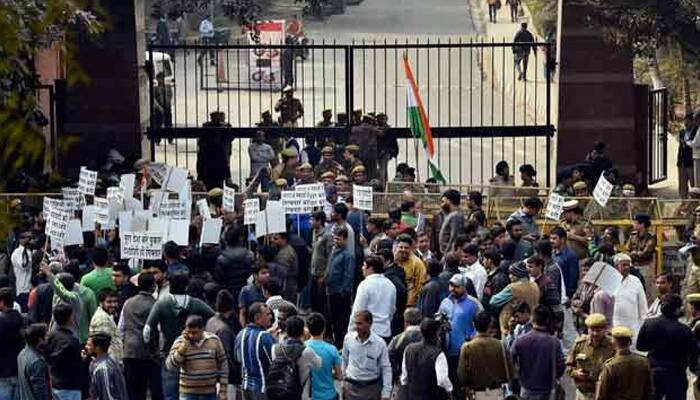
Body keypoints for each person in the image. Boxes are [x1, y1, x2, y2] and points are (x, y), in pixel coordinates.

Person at [144, 272, 215, 400]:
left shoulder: (162, 304)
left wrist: (153, 351)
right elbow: (214, 318)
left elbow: (147, 332)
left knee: (170, 396)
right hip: (194, 357)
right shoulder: (196, 303)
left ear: (170, 285)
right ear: (186, 287)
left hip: (169, 354)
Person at [637, 293, 698, 400]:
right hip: (676, 375)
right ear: (678, 309)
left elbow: (640, 346)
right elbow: (694, 351)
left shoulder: (649, 324)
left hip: (654, 373)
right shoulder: (684, 330)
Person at [118, 272, 163, 400]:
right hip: (149, 354)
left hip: (130, 352)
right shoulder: (156, 305)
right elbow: (159, 330)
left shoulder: (128, 303)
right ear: (153, 286)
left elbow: (121, 329)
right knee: (154, 390)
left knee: (134, 392)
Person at [167, 315, 228, 400]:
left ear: (202, 329)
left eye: (195, 332)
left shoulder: (214, 341)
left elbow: (223, 364)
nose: (191, 335)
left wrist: (223, 390)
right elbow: (171, 366)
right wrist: (182, 348)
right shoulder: (180, 342)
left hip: (209, 393)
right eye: (189, 332)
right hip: (188, 394)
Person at [511, 305, 565, 399]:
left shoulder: (520, 340)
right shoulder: (554, 342)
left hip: (526, 388)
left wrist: (518, 374)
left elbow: (510, 359)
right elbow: (561, 365)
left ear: (532, 319)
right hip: (547, 389)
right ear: (547, 320)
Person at [437, 274, 479, 395]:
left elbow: (482, 324)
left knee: (462, 383)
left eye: (456, 286)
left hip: (464, 350)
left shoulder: (473, 303)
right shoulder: (445, 302)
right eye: (451, 285)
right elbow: (438, 320)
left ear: (464, 287)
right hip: (446, 349)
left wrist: (472, 336)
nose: (452, 289)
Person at [457, 312, 512, 400]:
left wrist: (465, 387)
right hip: (497, 392)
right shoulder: (500, 345)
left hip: (476, 393)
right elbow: (509, 370)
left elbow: (462, 374)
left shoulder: (467, 347)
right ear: (490, 325)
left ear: (474, 325)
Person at [341, 310, 392, 400]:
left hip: (371, 389)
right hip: (351, 388)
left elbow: (386, 368)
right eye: (355, 323)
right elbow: (344, 360)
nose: (356, 327)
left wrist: (386, 393)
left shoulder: (380, 344)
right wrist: (343, 383)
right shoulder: (348, 339)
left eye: (360, 324)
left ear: (369, 323)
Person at [270, 316, 321, 400]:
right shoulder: (307, 351)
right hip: (301, 394)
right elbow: (319, 365)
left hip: (281, 391)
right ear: (302, 332)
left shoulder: (275, 348)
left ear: (286, 331)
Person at [595, 326, 653, 400]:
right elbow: (649, 390)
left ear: (613, 342)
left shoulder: (610, 366)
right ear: (630, 342)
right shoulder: (643, 362)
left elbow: (602, 395)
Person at [565, 314, 615, 400]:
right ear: (587, 329)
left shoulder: (612, 346)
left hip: (604, 395)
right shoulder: (579, 344)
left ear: (605, 329)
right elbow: (568, 367)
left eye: (599, 330)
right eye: (592, 330)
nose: (595, 334)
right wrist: (576, 373)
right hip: (582, 394)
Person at [401, 318, 453, 400]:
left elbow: (404, 377)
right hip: (432, 395)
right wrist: (449, 389)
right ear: (436, 334)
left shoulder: (409, 349)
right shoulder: (438, 354)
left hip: (412, 395)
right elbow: (442, 380)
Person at [350, 255, 397, 341]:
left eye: (364, 265)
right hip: (385, 331)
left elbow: (358, 309)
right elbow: (392, 309)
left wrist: (351, 330)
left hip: (367, 332)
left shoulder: (365, 285)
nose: (362, 268)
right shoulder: (391, 285)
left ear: (370, 268)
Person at [234, 302, 275, 400]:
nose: (271, 317)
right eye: (267, 314)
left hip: (245, 387)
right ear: (257, 317)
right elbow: (274, 362)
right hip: (262, 389)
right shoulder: (265, 337)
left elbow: (237, 358)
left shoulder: (240, 334)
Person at [490, 262, 540, 338]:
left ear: (518, 275)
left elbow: (493, 301)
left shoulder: (513, 288)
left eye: (511, 274)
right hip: (532, 323)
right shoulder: (535, 285)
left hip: (513, 327)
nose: (509, 276)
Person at [325, 225, 355, 347]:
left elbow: (349, 275)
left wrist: (344, 291)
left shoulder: (348, 255)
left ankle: (341, 343)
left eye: (339, 239)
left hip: (340, 293)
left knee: (341, 320)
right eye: (335, 238)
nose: (336, 241)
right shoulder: (333, 251)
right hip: (331, 290)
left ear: (345, 239)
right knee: (332, 318)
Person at [206, 290, 239, 400]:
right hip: (224, 381)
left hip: (211, 375)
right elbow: (226, 358)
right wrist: (237, 373)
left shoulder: (211, 321)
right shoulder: (224, 330)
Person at [45, 304, 83, 400]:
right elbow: (76, 365)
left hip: (55, 384)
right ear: (70, 317)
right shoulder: (72, 341)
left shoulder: (50, 337)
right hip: (70, 387)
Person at [611, 253, 647, 346]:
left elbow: (642, 306)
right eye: (624, 265)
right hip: (614, 325)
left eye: (628, 265)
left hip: (633, 326)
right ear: (616, 266)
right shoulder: (609, 280)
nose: (627, 267)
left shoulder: (636, 281)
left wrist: (643, 325)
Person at [305, 313, 343, 400]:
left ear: (308, 329)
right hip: (329, 395)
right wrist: (329, 374)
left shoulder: (303, 347)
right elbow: (339, 376)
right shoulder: (332, 349)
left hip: (310, 397)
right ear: (324, 329)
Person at [216, 226, 254, 311]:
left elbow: (220, 280)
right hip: (247, 292)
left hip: (229, 294)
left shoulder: (222, 259)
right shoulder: (249, 256)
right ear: (240, 239)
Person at [387, 307, 423, 391]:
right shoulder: (428, 338)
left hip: (402, 382)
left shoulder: (397, 340)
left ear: (405, 322)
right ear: (421, 321)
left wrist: (396, 377)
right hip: (423, 383)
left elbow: (390, 360)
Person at [85, 332, 128, 400]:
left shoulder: (103, 369)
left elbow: (108, 396)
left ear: (98, 348)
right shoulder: (112, 361)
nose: (86, 347)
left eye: (89, 345)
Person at [625, 213, 657, 299]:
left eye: (636, 222)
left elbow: (645, 253)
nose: (633, 224)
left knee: (646, 290)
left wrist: (634, 253)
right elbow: (627, 249)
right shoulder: (633, 235)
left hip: (645, 266)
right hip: (634, 266)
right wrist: (635, 253)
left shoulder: (651, 236)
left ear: (642, 224)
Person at [0, 287, 24, 400]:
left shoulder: (1, 320)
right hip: (18, 369)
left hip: (3, 371)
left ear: (2, 302)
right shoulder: (22, 318)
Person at [89, 288, 123, 363]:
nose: (113, 305)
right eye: (109, 302)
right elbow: (104, 346)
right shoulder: (102, 318)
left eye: (115, 301)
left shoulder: (107, 315)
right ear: (101, 303)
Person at [17, 323, 50, 400]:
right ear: (40, 339)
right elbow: (40, 392)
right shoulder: (37, 362)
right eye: (46, 336)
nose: (48, 338)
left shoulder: (22, 354)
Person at [394, 234, 426, 308]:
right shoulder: (392, 260)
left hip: (409, 304)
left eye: (406, 248)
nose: (403, 250)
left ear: (411, 248)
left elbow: (420, 286)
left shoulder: (418, 264)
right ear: (396, 247)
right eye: (401, 247)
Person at [348, 115, 379, 180]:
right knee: (371, 173)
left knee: (358, 171)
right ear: (370, 121)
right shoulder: (373, 129)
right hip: (370, 155)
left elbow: (351, 141)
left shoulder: (355, 129)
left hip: (358, 154)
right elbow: (380, 135)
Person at [271, 232, 299, 302]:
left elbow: (281, 273)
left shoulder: (286, 254)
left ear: (284, 239)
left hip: (287, 287)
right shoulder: (282, 250)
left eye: (276, 239)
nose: (272, 240)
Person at [10, 231, 33, 311]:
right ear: (21, 240)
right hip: (22, 289)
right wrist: (27, 251)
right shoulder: (17, 253)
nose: (30, 240)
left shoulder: (29, 251)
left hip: (30, 288)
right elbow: (24, 266)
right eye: (28, 238)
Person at [438, 189, 464, 256]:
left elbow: (454, 237)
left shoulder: (456, 215)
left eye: (444, 201)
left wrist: (447, 254)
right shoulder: (450, 214)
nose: (442, 203)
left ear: (449, 201)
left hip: (450, 254)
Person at [679, 112, 697, 198]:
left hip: (691, 162)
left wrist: (687, 143)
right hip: (682, 161)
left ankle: (694, 204)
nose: (686, 123)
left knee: (694, 185)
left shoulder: (697, 131)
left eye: (688, 121)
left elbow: (695, 144)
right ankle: (683, 204)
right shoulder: (682, 131)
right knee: (682, 185)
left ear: (692, 121)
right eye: (684, 121)